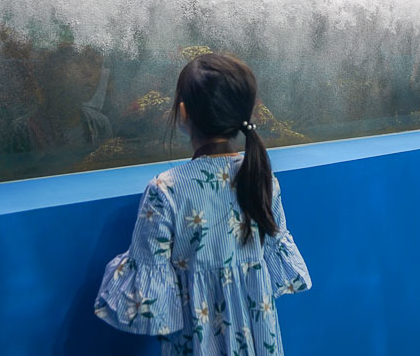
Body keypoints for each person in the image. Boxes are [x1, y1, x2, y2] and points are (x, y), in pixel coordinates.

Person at [94, 53, 311, 355]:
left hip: (198, 342)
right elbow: (277, 265)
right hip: (260, 339)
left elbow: (146, 289)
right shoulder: (262, 178)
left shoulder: (165, 189)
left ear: (183, 113)